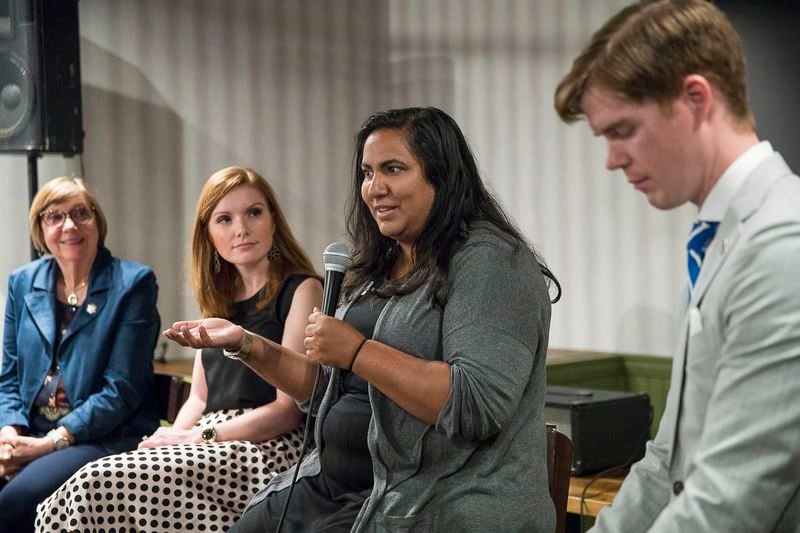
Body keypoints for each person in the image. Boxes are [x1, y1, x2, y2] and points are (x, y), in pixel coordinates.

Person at [165, 107, 561, 532]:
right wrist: (246, 344)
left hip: (432, 503)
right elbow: (325, 391)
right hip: (334, 487)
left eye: (393, 168)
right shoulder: (379, 266)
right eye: (367, 173)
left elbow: (474, 405)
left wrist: (357, 351)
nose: (374, 188)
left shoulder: (492, 262)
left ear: (442, 176)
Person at [555, 1, 800, 531]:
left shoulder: (781, 245)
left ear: (694, 99)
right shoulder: (717, 240)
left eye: (622, 130)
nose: (611, 159)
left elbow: (727, 502)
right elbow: (668, 460)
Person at [35, 166, 323, 532]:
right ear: (209, 234)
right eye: (224, 219)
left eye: (254, 212)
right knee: (92, 482)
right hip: (207, 440)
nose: (241, 229)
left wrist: (194, 437)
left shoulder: (302, 289)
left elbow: (287, 411)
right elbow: (199, 400)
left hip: (265, 449)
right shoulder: (218, 299)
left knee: (95, 483)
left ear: (273, 220)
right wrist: (167, 438)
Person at [0, 176, 161, 532]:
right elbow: (8, 375)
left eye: (80, 213)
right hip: (31, 429)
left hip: (103, 436)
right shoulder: (22, 282)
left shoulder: (133, 284)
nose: (69, 225)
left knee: (12, 500)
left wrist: (48, 444)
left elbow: (121, 390)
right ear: (40, 230)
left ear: (98, 224)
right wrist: (10, 435)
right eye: (54, 216)